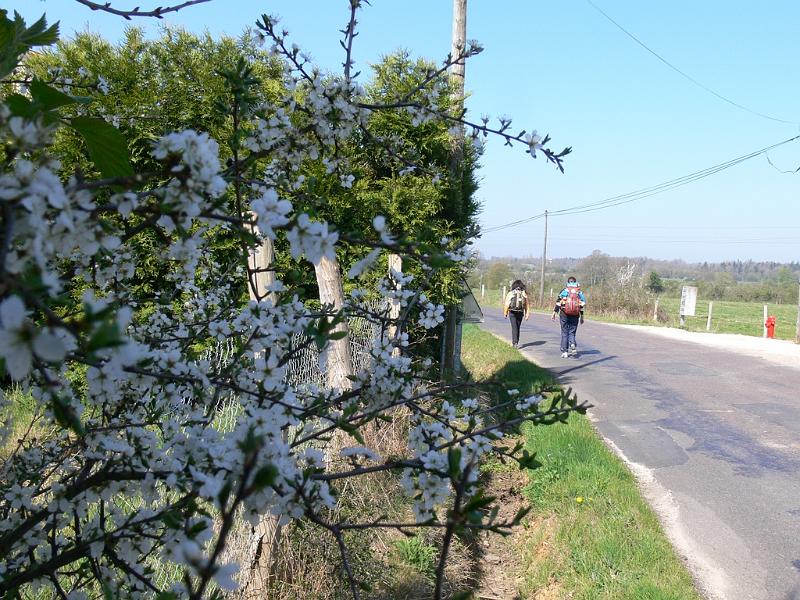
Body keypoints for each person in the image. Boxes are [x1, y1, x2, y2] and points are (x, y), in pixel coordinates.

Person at [551, 276, 586, 358]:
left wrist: (554, 313)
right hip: (575, 314)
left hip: (564, 314)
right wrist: (582, 317)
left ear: (568, 282)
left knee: (564, 332)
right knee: (572, 332)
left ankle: (565, 351)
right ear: (575, 282)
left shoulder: (565, 291)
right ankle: (572, 343)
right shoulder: (579, 292)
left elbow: (558, 302)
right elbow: (581, 305)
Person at [503, 280, 529, 348]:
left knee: (514, 327)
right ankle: (516, 341)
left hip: (512, 312)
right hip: (520, 312)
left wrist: (505, 313)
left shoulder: (511, 293)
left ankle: (514, 343)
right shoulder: (524, 293)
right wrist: (527, 314)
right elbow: (526, 305)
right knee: (518, 327)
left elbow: (507, 304)